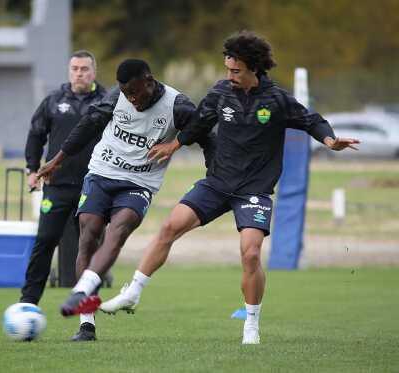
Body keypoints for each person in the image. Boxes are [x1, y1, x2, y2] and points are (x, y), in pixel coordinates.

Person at [99, 31, 360, 344]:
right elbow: (199, 122)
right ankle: (134, 292)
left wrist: (330, 140)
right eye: (227, 69)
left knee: (250, 255)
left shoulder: (277, 100)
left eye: (235, 71)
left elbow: (311, 120)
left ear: (254, 68)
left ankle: (251, 324)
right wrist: (175, 145)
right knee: (169, 226)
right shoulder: (221, 92)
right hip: (217, 183)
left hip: (254, 191)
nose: (229, 75)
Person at [36, 58, 214, 340]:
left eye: (135, 92)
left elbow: (204, 134)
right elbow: (88, 125)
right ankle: (86, 324)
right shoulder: (116, 97)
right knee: (88, 234)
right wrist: (57, 160)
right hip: (102, 173)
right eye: (126, 92)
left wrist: (212, 173)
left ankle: (81, 290)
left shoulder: (176, 105)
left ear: (149, 81)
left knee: (117, 231)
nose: (131, 99)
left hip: (139, 183)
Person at [19, 50, 106, 341]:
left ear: (94, 72)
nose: (79, 73)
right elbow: (35, 135)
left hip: (94, 187)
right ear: (69, 72)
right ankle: (27, 305)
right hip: (56, 187)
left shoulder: (108, 101)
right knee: (44, 243)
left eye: (84, 68)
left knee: (87, 251)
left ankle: (87, 323)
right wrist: (33, 169)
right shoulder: (54, 101)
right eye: (74, 68)